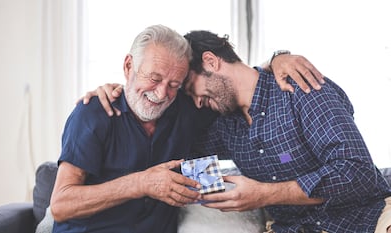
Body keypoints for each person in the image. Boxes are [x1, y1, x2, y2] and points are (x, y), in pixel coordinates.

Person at [88, 30, 391, 233]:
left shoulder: (299, 88)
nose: (196, 102)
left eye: (192, 89)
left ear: (211, 61)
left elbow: (358, 174)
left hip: (368, 219)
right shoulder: (223, 125)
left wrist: (264, 194)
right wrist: (123, 91)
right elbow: (168, 155)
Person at [52, 24, 323, 233]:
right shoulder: (94, 113)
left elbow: (234, 83)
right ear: (128, 66)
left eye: (174, 84)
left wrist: (277, 59)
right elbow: (61, 205)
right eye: (154, 78)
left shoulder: (184, 109)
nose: (160, 93)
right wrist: (142, 183)